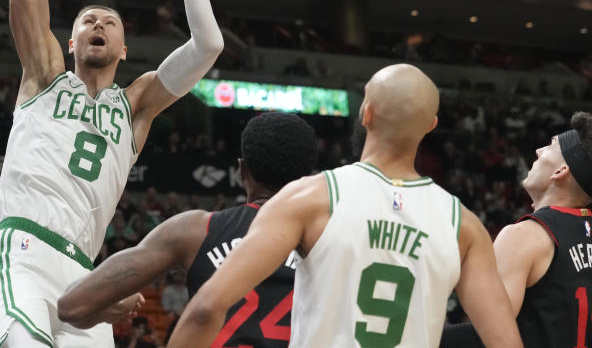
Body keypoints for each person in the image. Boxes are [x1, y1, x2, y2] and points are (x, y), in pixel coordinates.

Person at [0, 0, 224, 348]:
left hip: (84, 279)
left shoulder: (135, 107)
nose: (98, 24)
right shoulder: (45, 74)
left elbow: (209, 45)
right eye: (87, 20)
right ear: (69, 42)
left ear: (122, 46)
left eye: (108, 22)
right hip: (22, 248)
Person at [167, 64, 524, 348]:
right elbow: (504, 342)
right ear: (431, 126)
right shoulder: (464, 225)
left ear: (365, 114)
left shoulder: (309, 197)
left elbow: (204, 310)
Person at [58, 112, 319, 347]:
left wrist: (112, 308)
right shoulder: (332, 239)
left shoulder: (194, 231)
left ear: (241, 170)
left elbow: (71, 306)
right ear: (309, 178)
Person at [441, 112, 592, 348]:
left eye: (550, 146)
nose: (538, 151)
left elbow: (488, 337)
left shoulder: (525, 237)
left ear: (560, 170)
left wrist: (422, 335)